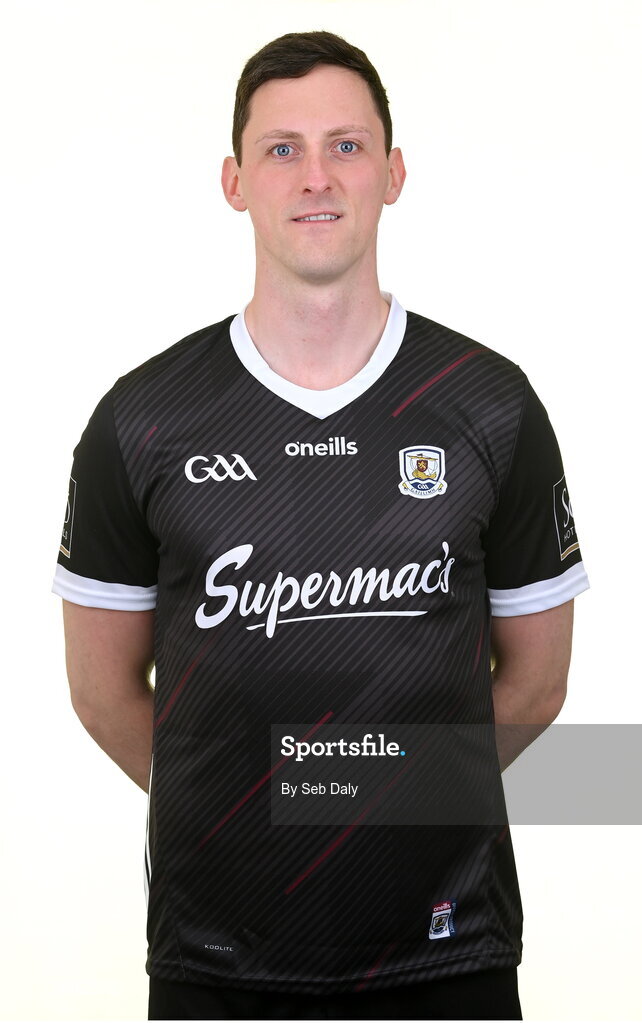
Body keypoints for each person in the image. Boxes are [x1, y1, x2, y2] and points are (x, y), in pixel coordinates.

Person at [52, 29, 589, 1022]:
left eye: (345, 146)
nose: (316, 177)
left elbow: (540, 680)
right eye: (282, 149)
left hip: (446, 951)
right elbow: (99, 690)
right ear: (234, 181)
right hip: (216, 959)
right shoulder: (144, 418)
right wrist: (244, 814)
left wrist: (352, 793)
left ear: (392, 174)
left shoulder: (489, 404)